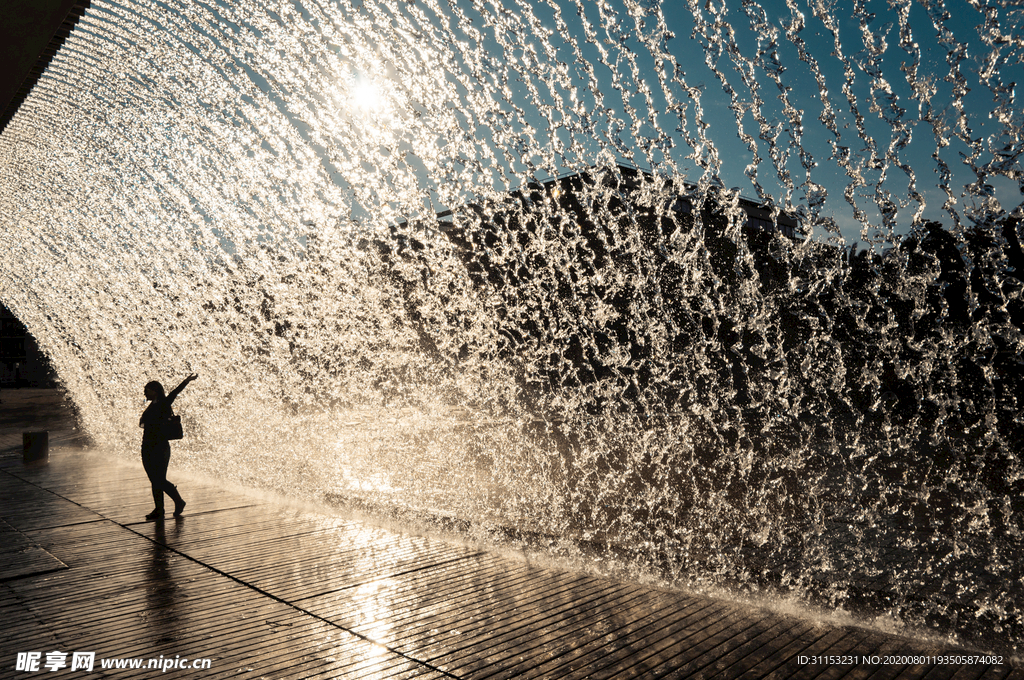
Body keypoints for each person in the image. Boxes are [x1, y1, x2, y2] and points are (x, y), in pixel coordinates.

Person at [139, 373, 197, 520]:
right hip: (147, 447)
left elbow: (175, 392)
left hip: (160, 447)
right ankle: (160, 509)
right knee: (154, 479)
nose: (145, 392)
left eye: (147, 390)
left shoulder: (164, 403)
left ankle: (177, 501)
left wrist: (186, 381)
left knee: (159, 479)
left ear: (155, 390)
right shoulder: (152, 405)